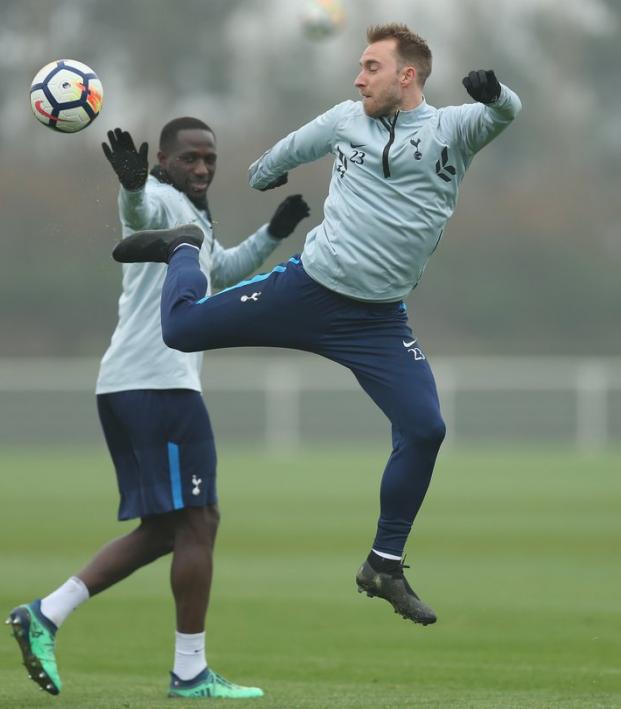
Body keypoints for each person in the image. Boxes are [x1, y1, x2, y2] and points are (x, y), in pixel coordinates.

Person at [112, 24, 522, 627]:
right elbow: (264, 166)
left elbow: (507, 113)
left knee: (426, 427)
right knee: (180, 330)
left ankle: (383, 564)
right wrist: (267, 174)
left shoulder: (452, 129)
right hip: (307, 291)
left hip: (379, 321)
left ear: (406, 76)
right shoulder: (342, 120)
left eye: (371, 67)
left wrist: (495, 92)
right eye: (359, 67)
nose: (359, 78)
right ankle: (181, 249)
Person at [6, 117, 309, 699]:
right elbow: (139, 219)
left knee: (169, 529)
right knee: (200, 521)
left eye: (209, 160)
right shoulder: (160, 199)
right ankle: (189, 673)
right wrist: (131, 185)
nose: (201, 168)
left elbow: (218, 272)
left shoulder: (193, 216)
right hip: (159, 386)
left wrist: (273, 231)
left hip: (134, 385)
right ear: (164, 161)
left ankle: (46, 613)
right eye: (190, 158)